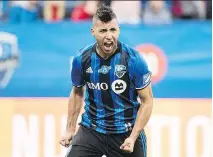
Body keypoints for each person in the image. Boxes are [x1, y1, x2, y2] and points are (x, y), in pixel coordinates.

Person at [59, 4, 153, 157]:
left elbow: (147, 101)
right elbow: (77, 93)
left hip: (125, 133)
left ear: (119, 30)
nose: (109, 36)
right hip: (92, 130)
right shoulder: (82, 59)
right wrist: (70, 129)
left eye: (113, 30)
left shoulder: (134, 60)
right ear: (93, 32)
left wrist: (133, 136)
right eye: (103, 31)